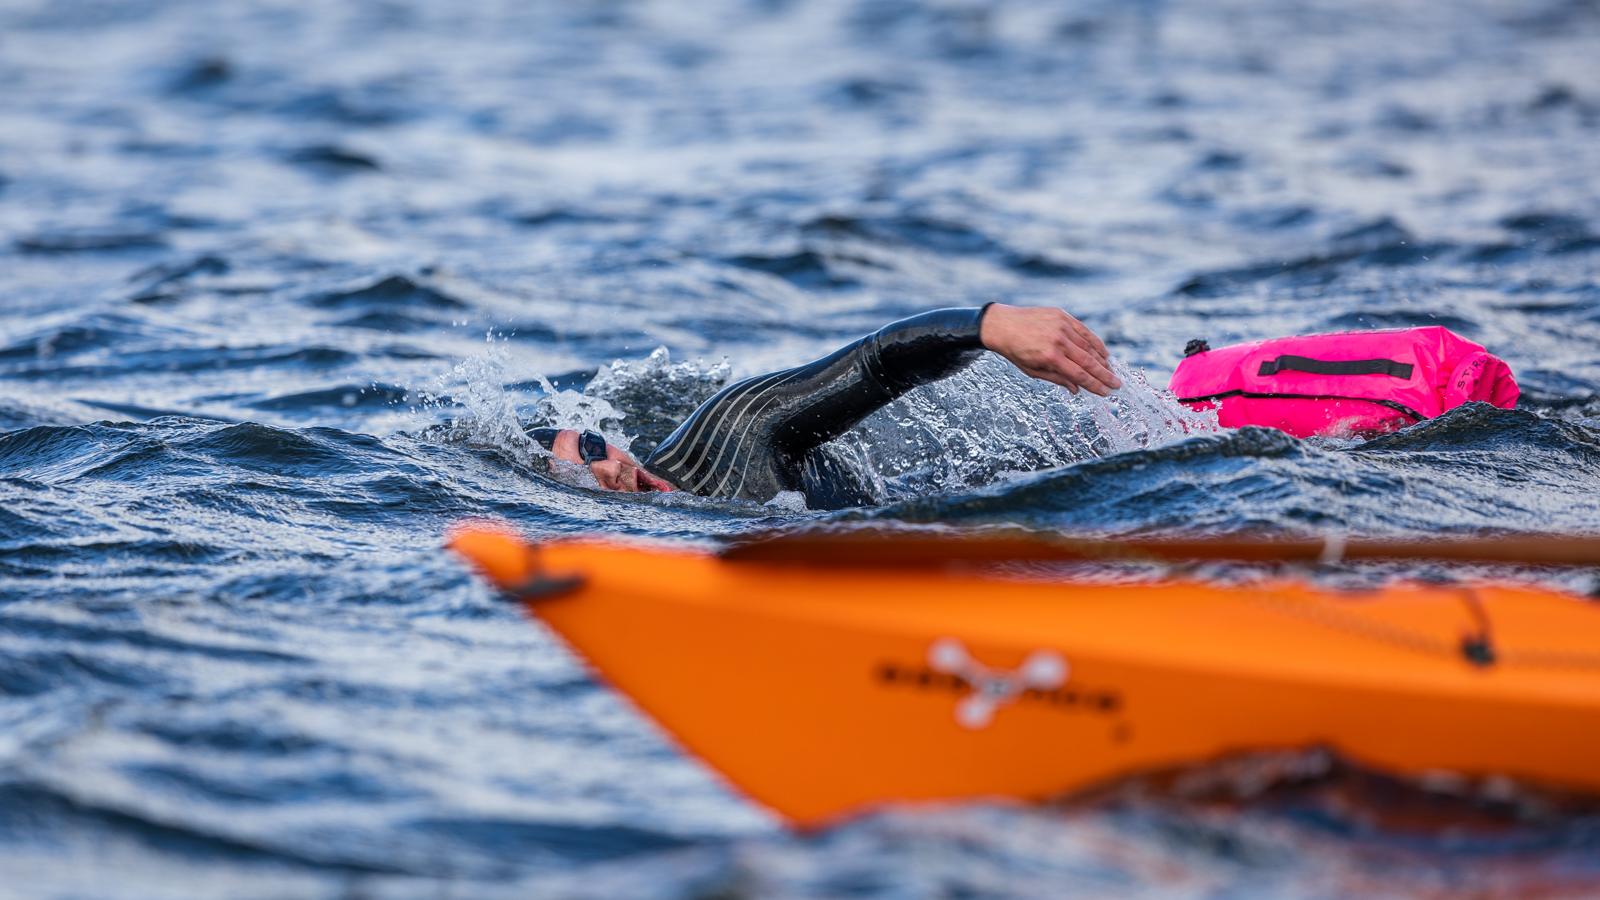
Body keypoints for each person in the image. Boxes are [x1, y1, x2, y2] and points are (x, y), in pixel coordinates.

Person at [528, 303, 1119, 509]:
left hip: (965, 491)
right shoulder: (670, 544)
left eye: (591, 451)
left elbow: (876, 362)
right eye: (582, 479)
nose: (609, 476)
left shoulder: (727, 436)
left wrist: (989, 325)